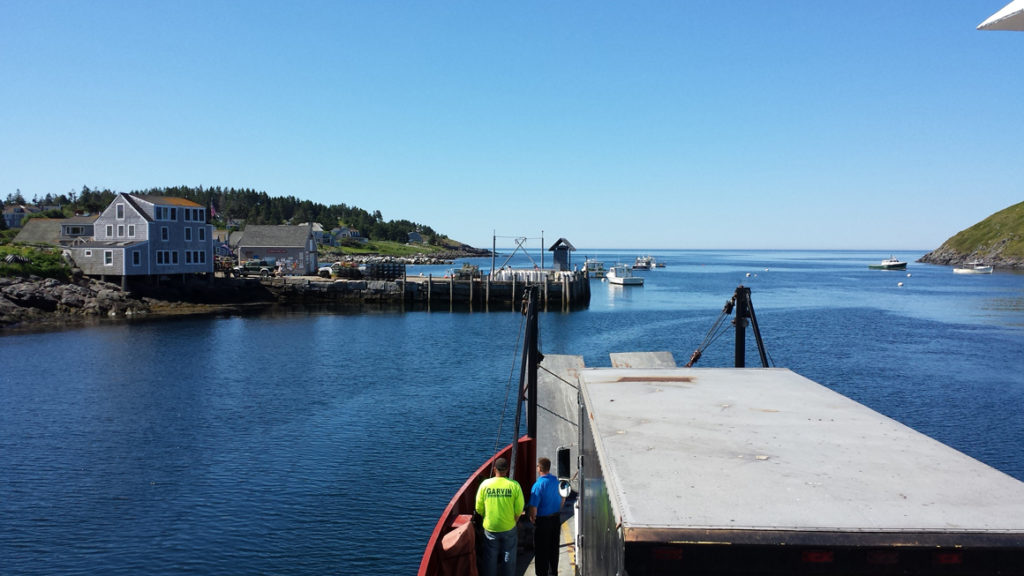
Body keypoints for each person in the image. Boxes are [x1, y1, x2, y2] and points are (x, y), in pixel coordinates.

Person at [475, 457, 524, 576]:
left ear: (494, 469)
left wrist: (486, 518)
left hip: (490, 527)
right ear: (507, 470)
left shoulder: (485, 485)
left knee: (490, 558)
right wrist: (514, 521)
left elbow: (478, 507)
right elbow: (519, 508)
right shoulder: (514, 485)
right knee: (508, 557)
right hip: (509, 526)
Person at [528, 457, 565, 576]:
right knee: (554, 549)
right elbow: (563, 498)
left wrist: (532, 518)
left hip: (543, 522)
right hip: (555, 520)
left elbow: (533, 507)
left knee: (541, 552)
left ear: (539, 468)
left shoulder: (538, 485)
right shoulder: (557, 481)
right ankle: (553, 572)